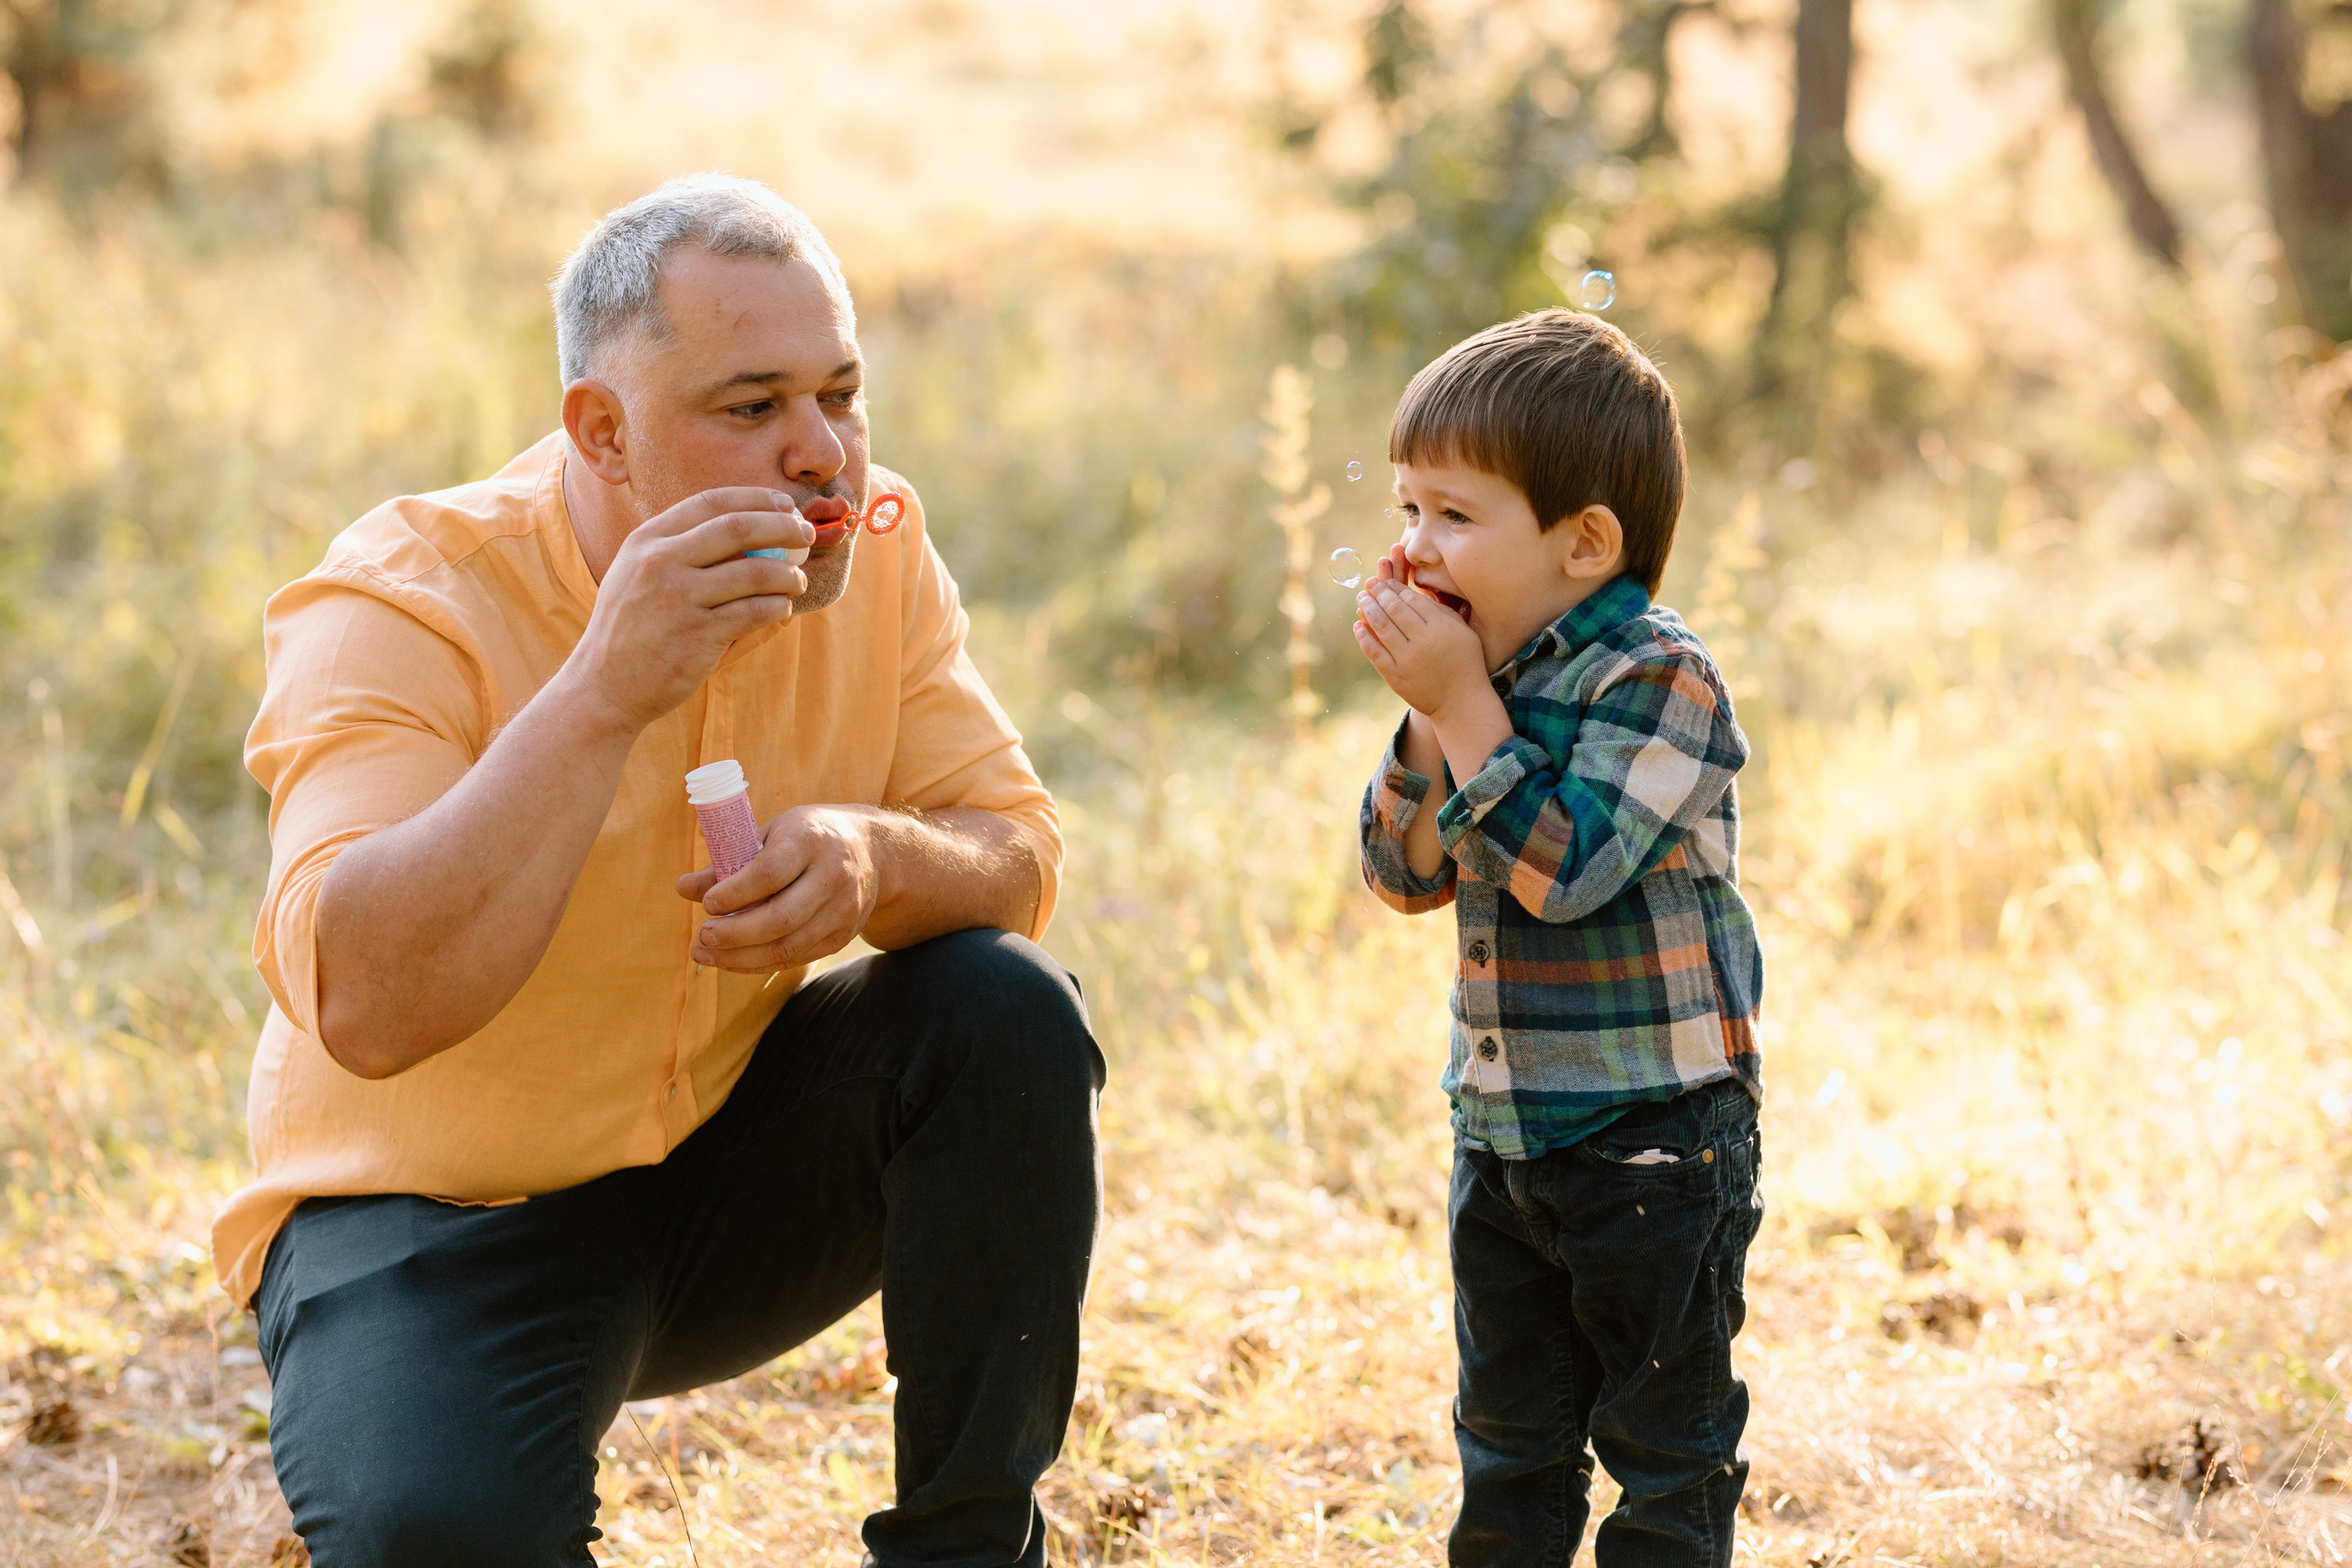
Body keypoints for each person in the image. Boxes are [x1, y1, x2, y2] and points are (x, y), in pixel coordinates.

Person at [215, 173, 1104, 1567]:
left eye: (840, 395)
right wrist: (602, 690)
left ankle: (967, 1551)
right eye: (751, 408)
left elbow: (1016, 852)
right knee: (432, 1536)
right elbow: (367, 1002)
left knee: (1004, 1012)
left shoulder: (871, 551)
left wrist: (874, 861)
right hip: (431, 1221)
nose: (821, 452)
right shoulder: (399, 599)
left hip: (720, 1175)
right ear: (603, 432)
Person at [1351, 310, 1765, 1567]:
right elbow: (1400, 874)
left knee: (1664, 1444)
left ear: (1585, 543)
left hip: (1653, 1139)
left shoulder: (1658, 678)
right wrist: (1433, 718)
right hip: (1507, 1131)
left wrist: (1466, 704)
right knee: (1510, 1440)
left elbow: (1569, 872)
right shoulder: (1481, 669)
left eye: (1456, 517)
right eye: (1409, 507)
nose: (1416, 545)